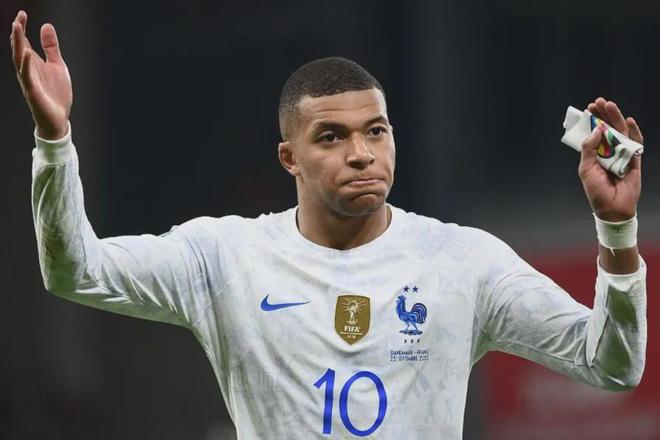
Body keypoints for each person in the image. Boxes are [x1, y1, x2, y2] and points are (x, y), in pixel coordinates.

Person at [11, 9, 647, 439]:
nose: (362, 153)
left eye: (377, 131)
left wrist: (616, 233)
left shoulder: (464, 261)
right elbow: (74, 271)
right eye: (332, 136)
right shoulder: (224, 257)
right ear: (289, 158)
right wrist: (54, 140)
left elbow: (611, 365)